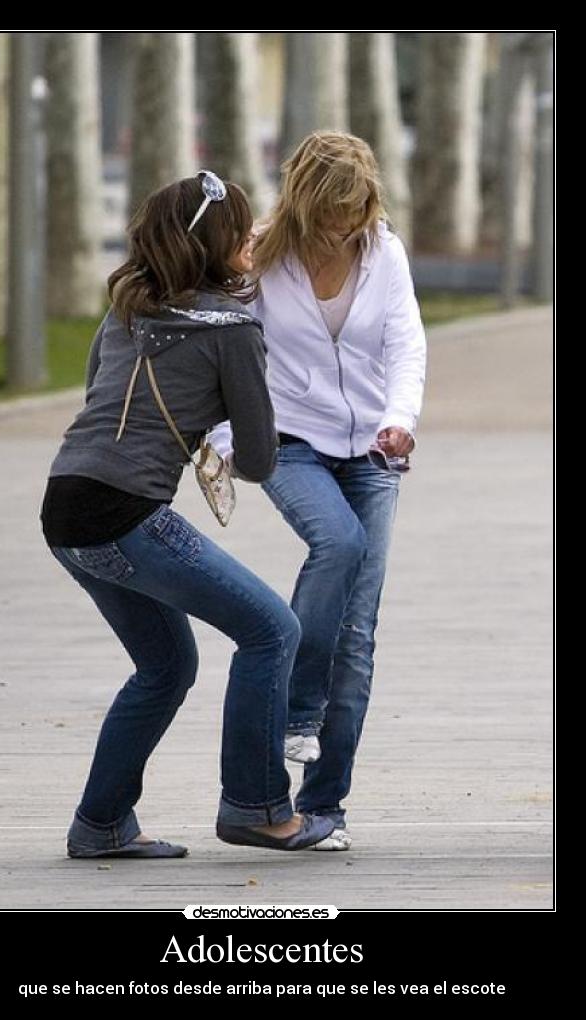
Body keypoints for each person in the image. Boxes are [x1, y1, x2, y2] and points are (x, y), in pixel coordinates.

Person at [40, 170, 336, 859]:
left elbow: (97, 401)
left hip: (64, 504)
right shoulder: (234, 328)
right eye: (242, 225)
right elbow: (260, 460)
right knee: (272, 629)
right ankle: (258, 807)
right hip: (127, 511)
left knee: (166, 667)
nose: (253, 236)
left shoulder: (128, 308)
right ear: (219, 242)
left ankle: (101, 824)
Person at [209, 132, 426, 851]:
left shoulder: (383, 252)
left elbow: (404, 343)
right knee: (338, 541)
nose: (343, 227)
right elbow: (220, 342)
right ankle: (300, 711)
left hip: (372, 449)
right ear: (304, 203)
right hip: (288, 439)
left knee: (357, 637)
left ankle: (325, 805)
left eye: (355, 211)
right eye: (331, 213)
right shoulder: (263, 255)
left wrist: (399, 420)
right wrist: (218, 438)